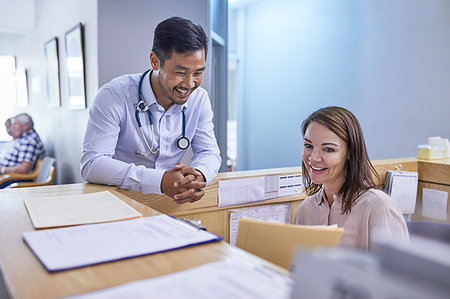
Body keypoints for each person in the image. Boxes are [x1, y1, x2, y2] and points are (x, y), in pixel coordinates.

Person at [81, 16, 221, 204]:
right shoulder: (114, 96)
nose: (189, 84)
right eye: (180, 72)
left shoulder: (199, 99)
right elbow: (93, 164)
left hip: (171, 202)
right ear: (155, 61)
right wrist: (159, 181)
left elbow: (209, 152)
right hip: (119, 202)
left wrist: (197, 176)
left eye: (198, 73)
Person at [294, 106, 409, 250]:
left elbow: (398, 271)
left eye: (328, 149)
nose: (314, 157)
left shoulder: (378, 207)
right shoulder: (306, 209)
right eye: (308, 145)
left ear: (350, 153)